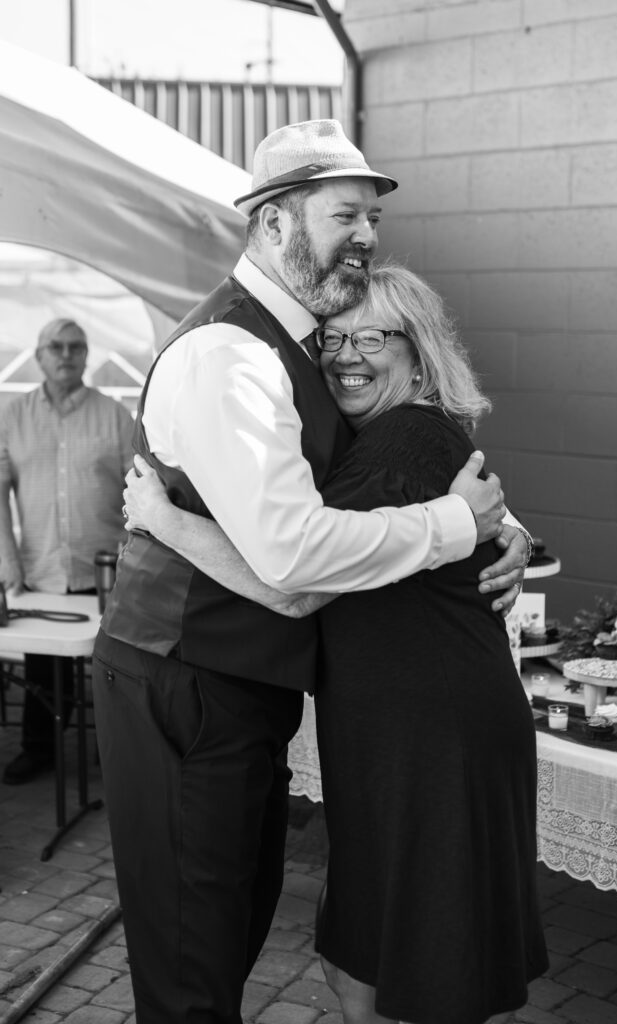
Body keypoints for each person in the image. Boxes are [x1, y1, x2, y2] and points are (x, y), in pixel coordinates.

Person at [92, 119, 531, 1024]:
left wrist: (502, 524)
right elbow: (293, 563)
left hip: (253, 690)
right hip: (188, 683)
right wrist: (459, 523)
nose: (367, 236)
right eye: (346, 215)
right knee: (192, 964)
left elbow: (379, 470)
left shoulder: (296, 343)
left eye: (373, 217)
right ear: (275, 221)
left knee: (227, 935)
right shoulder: (230, 354)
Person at [0, 318, 134, 785]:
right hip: (41, 566)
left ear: (86, 355)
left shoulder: (115, 415)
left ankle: (112, 752)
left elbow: (137, 490)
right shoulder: (10, 417)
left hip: (105, 569)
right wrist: (8, 559)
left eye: (76, 346)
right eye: (55, 346)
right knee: (43, 666)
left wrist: (131, 557)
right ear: (39, 355)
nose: (66, 354)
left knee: (113, 665)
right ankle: (39, 750)